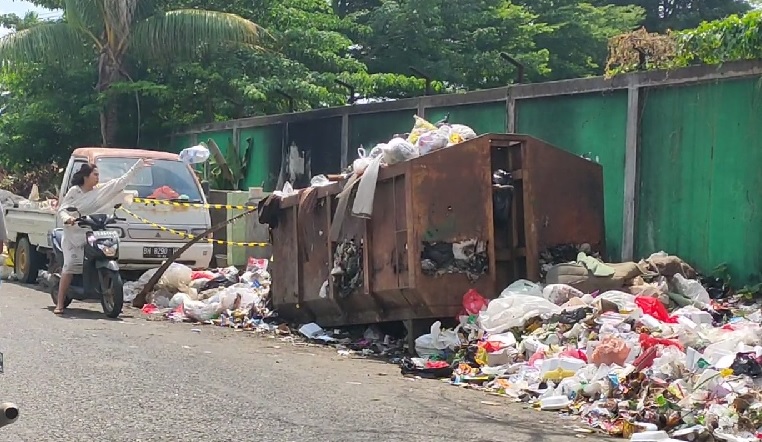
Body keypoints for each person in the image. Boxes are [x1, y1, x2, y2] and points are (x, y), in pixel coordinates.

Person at [54, 159, 153, 314]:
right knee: (70, 265)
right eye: (95, 174)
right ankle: (60, 303)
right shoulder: (75, 191)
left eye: (98, 174)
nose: (98, 177)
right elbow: (62, 209)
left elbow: (121, 181)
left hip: (92, 232)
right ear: (85, 176)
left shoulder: (101, 190)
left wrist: (138, 165)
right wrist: (67, 218)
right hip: (74, 235)